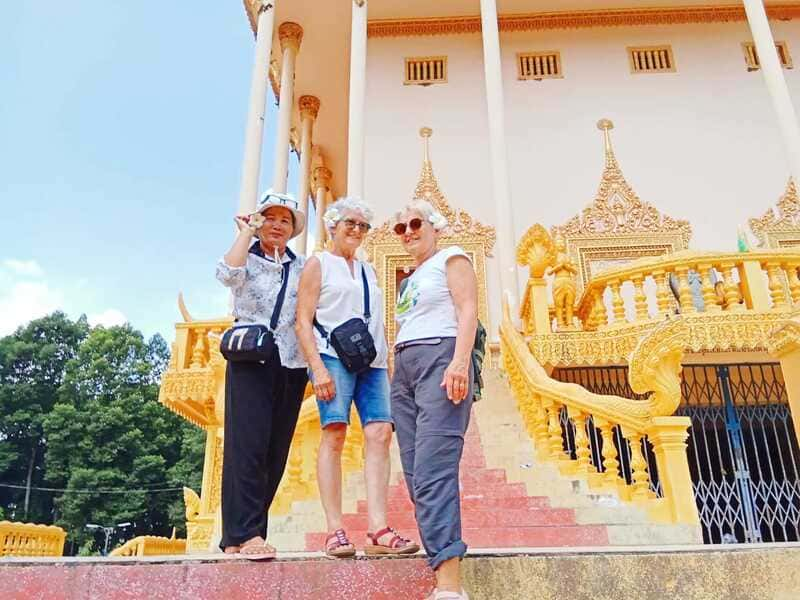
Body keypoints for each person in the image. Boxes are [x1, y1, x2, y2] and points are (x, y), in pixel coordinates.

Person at [295, 197, 419, 558]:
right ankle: (335, 528)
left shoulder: (368, 270)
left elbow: (377, 321)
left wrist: (391, 367)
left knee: (380, 434)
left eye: (363, 226)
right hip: (331, 356)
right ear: (332, 225)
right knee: (335, 433)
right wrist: (316, 368)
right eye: (350, 223)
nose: (356, 231)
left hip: (374, 360)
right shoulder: (318, 264)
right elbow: (302, 320)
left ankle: (378, 528)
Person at [391, 200, 478, 600]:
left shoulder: (452, 258)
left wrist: (460, 362)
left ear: (434, 226)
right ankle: (441, 560)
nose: (408, 232)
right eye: (399, 228)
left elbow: (468, 310)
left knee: (433, 470)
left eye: (414, 223)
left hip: (440, 357)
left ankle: (449, 585)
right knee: (413, 473)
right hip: (404, 368)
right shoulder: (409, 281)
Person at [215, 190, 309, 559]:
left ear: (292, 229)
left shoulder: (300, 266)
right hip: (251, 358)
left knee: (275, 451)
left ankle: (245, 536)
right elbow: (226, 274)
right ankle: (243, 533)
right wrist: (244, 232)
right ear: (259, 222)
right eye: (269, 218)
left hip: (292, 362)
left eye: (284, 220)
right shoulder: (247, 258)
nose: (277, 225)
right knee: (246, 447)